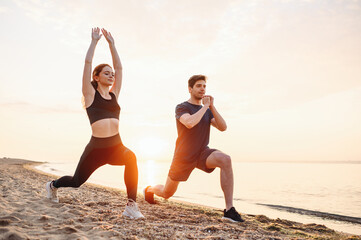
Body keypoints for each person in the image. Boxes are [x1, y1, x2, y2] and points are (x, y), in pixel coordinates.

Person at [45, 27, 144, 219]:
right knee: (76, 181)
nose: (111, 75)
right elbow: (88, 62)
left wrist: (112, 45)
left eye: (111, 73)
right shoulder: (90, 96)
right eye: (106, 73)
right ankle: (52, 185)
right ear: (96, 77)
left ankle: (131, 205)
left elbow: (120, 68)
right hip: (96, 149)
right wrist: (94, 42)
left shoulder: (114, 94)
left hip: (116, 146)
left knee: (131, 158)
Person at [144, 75, 244, 222]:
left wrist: (212, 107)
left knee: (225, 159)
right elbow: (190, 123)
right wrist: (205, 107)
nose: (202, 88)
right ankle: (149, 189)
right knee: (167, 193)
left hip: (202, 152)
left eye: (204, 86)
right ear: (190, 89)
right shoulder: (182, 107)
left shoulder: (208, 110)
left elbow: (223, 127)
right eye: (198, 86)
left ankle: (229, 210)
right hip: (183, 156)